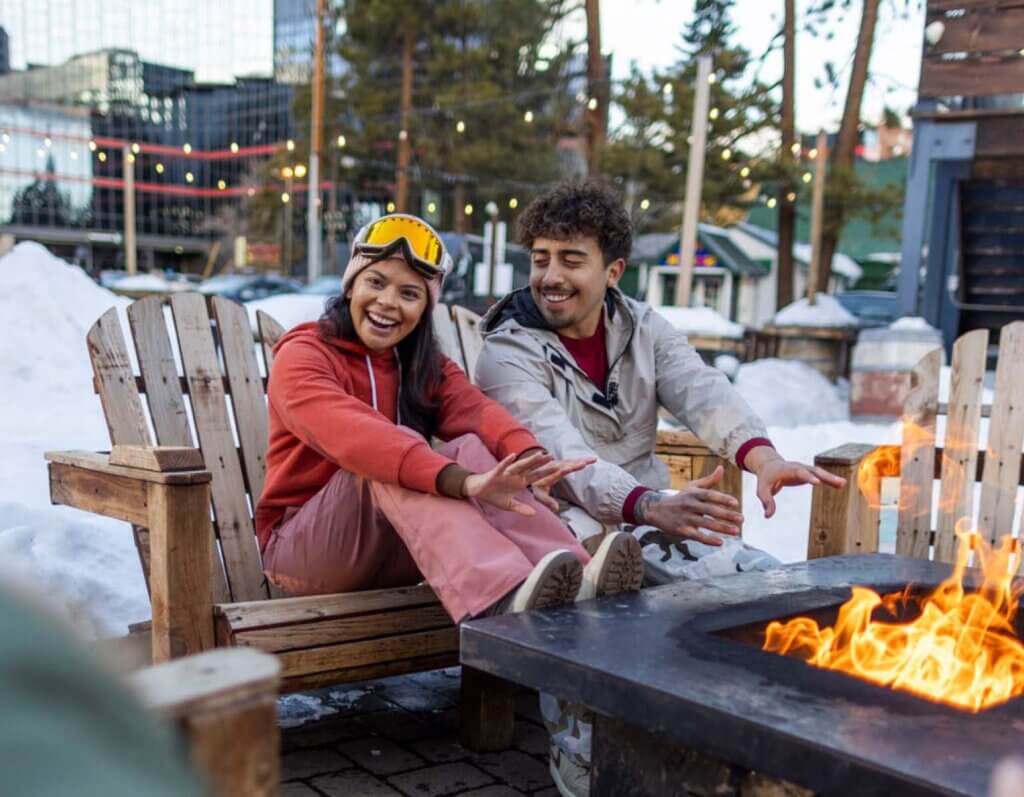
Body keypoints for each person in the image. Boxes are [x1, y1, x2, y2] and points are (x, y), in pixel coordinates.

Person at [473, 180, 846, 795]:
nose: (550, 276)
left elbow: (702, 390)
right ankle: (581, 756)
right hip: (560, 525)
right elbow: (557, 456)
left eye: (571, 259)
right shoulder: (505, 353)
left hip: (651, 517)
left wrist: (761, 456)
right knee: (594, 606)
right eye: (540, 259)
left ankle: (748, 742)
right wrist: (649, 505)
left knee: (767, 586)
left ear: (613, 269)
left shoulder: (643, 327)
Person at [255, 213, 644, 624]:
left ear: (424, 309)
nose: (388, 302)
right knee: (390, 456)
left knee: (471, 447)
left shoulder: (421, 366)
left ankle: (578, 576)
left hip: (401, 549)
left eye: (409, 294)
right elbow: (361, 439)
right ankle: (503, 598)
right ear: (351, 286)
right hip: (306, 554)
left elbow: (477, 412)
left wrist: (531, 463)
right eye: (375, 282)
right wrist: (464, 482)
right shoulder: (304, 357)